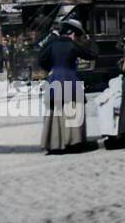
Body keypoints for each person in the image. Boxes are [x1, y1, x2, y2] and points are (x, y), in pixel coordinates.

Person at [39, 21, 97, 153]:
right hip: (70, 77)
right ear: (71, 34)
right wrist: (90, 41)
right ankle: (74, 142)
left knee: (55, 111)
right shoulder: (72, 45)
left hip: (54, 77)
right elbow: (92, 55)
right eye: (76, 36)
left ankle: (55, 143)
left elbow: (41, 60)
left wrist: (52, 69)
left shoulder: (52, 44)